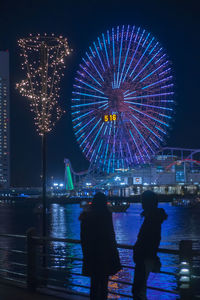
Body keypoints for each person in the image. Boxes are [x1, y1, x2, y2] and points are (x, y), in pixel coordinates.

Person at [79, 192, 121, 300]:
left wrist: (86, 254)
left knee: (94, 285)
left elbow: (83, 238)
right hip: (105, 255)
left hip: (91, 255)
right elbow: (111, 236)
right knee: (103, 285)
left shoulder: (86, 216)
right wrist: (115, 254)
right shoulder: (106, 215)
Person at [132, 190, 168, 300]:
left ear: (148, 203)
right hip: (146, 257)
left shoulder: (151, 219)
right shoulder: (154, 217)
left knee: (138, 290)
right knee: (140, 289)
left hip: (144, 257)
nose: (141, 203)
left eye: (143, 201)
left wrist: (138, 251)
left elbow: (147, 239)